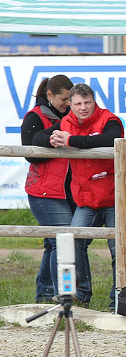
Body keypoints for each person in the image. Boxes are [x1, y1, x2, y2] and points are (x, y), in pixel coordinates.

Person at [34, 83, 126, 309]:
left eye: (87, 103)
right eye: (78, 103)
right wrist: (52, 140)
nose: (83, 107)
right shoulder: (65, 123)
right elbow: (36, 138)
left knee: (119, 249)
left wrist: (70, 141)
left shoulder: (110, 119)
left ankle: (119, 300)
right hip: (87, 199)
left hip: (115, 196)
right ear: (71, 106)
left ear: (94, 102)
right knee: (73, 243)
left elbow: (110, 140)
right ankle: (81, 295)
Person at [21, 74, 73, 302]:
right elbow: (31, 154)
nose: (68, 104)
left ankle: (45, 292)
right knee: (61, 241)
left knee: (54, 242)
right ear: (50, 95)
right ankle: (60, 294)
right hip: (45, 190)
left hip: (62, 190)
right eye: (64, 99)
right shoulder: (34, 117)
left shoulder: (63, 116)